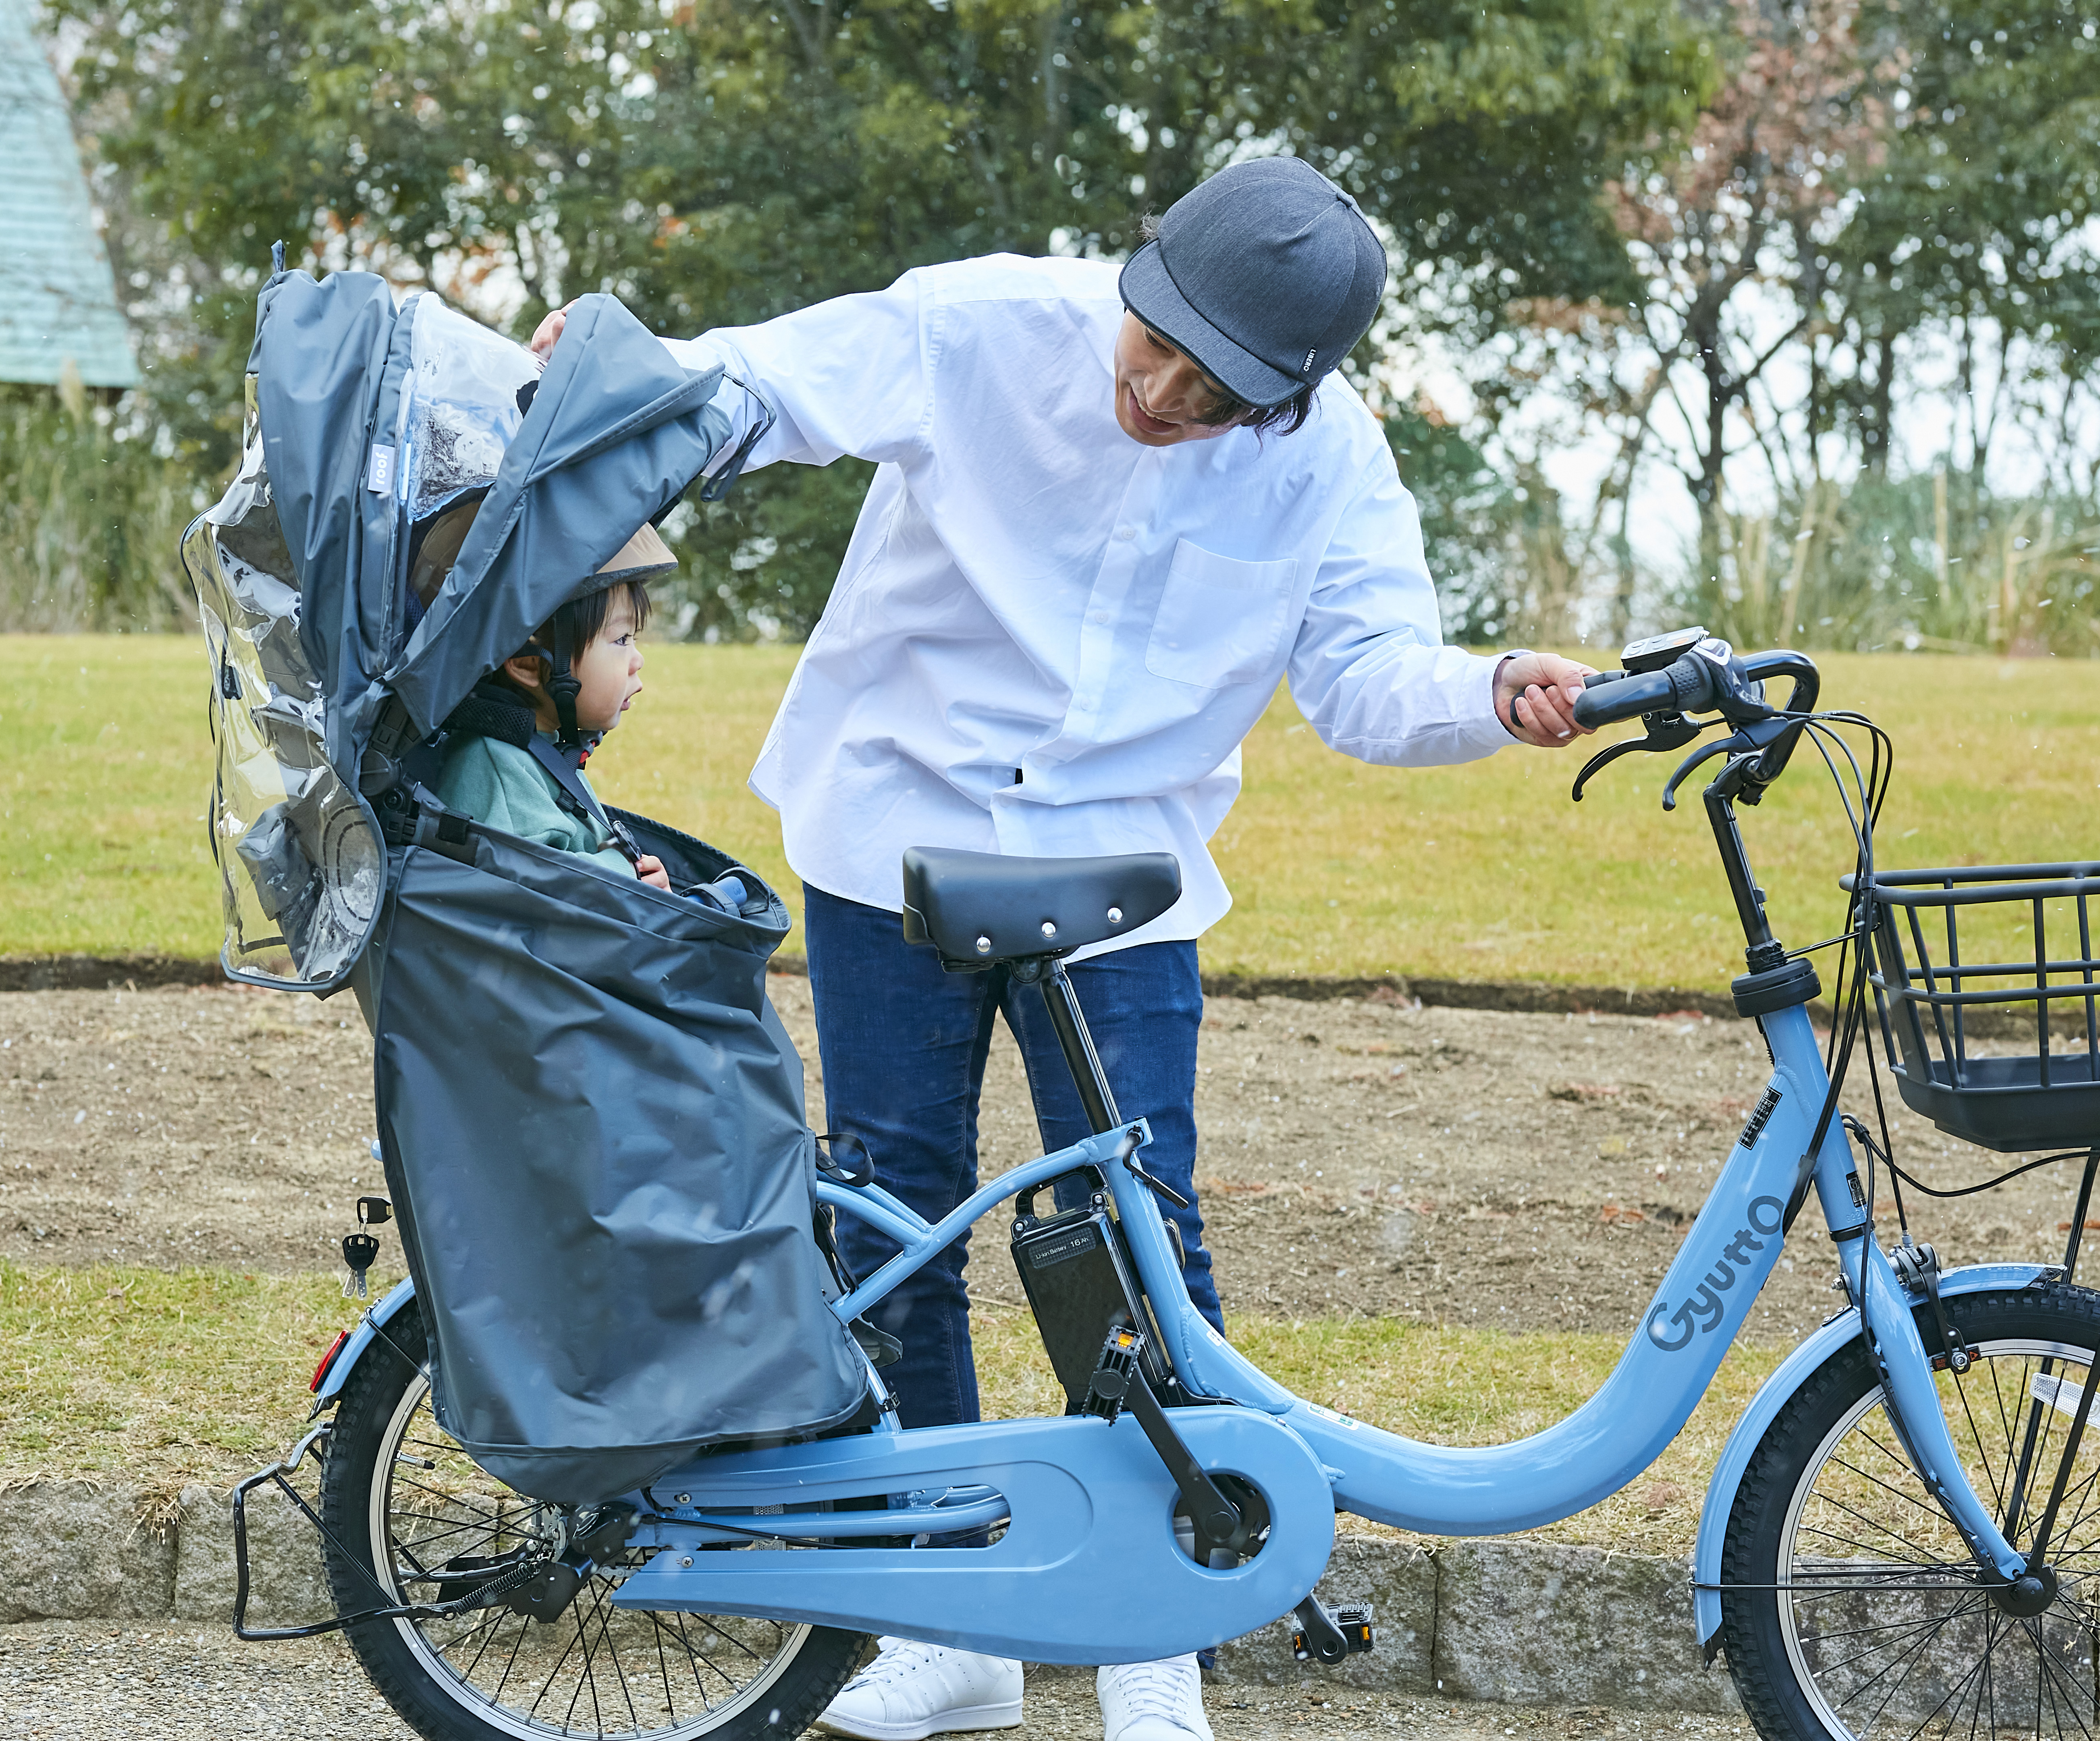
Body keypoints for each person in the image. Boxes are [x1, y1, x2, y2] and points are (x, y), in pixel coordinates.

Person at [532, 157, 1596, 1741]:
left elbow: (1368, 680)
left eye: (1214, 387)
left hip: (1124, 870)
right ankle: (949, 1619)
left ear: (1290, 397)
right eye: (1154, 339)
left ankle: (1154, 1639)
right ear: (1138, 263)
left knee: (1140, 1228)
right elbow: (756, 388)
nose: (1158, 390)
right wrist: (601, 377)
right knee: (893, 1214)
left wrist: (1490, 688)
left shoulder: (1334, 470)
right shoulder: (983, 324)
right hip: (897, 818)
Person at [431, 572, 674, 891]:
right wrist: (626, 874)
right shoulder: (494, 764)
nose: (638, 660)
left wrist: (642, 880)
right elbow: (533, 887)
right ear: (529, 666)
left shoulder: (543, 752)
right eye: (620, 640)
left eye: (633, 639)